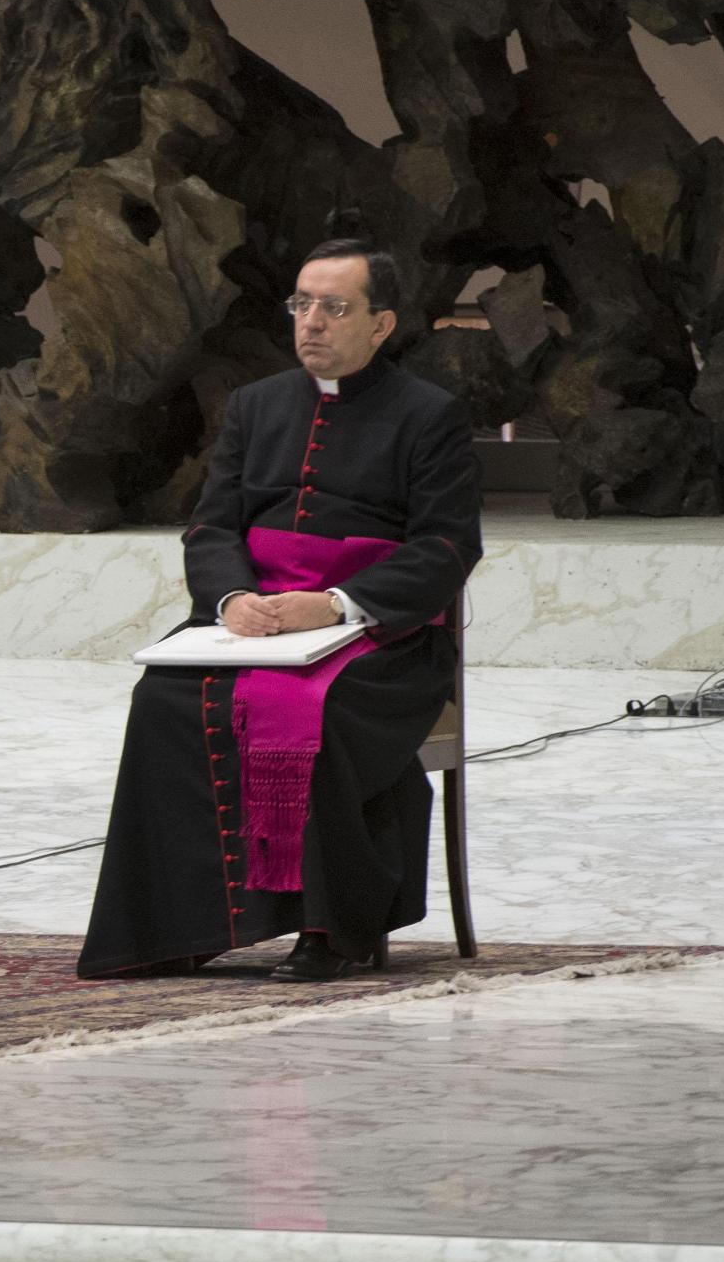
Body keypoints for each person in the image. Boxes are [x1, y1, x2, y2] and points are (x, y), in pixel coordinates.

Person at [76, 238, 482, 983]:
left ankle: (332, 930)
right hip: (255, 619)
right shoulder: (255, 406)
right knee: (164, 698)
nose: (312, 322)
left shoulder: (430, 416)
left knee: (318, 712)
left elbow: (448, 548)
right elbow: (210, 526)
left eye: (334, 307)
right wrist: (234, 600)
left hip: (380, 635)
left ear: (382, 324)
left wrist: (332, 605)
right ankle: (173, 929)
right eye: (302, 304)